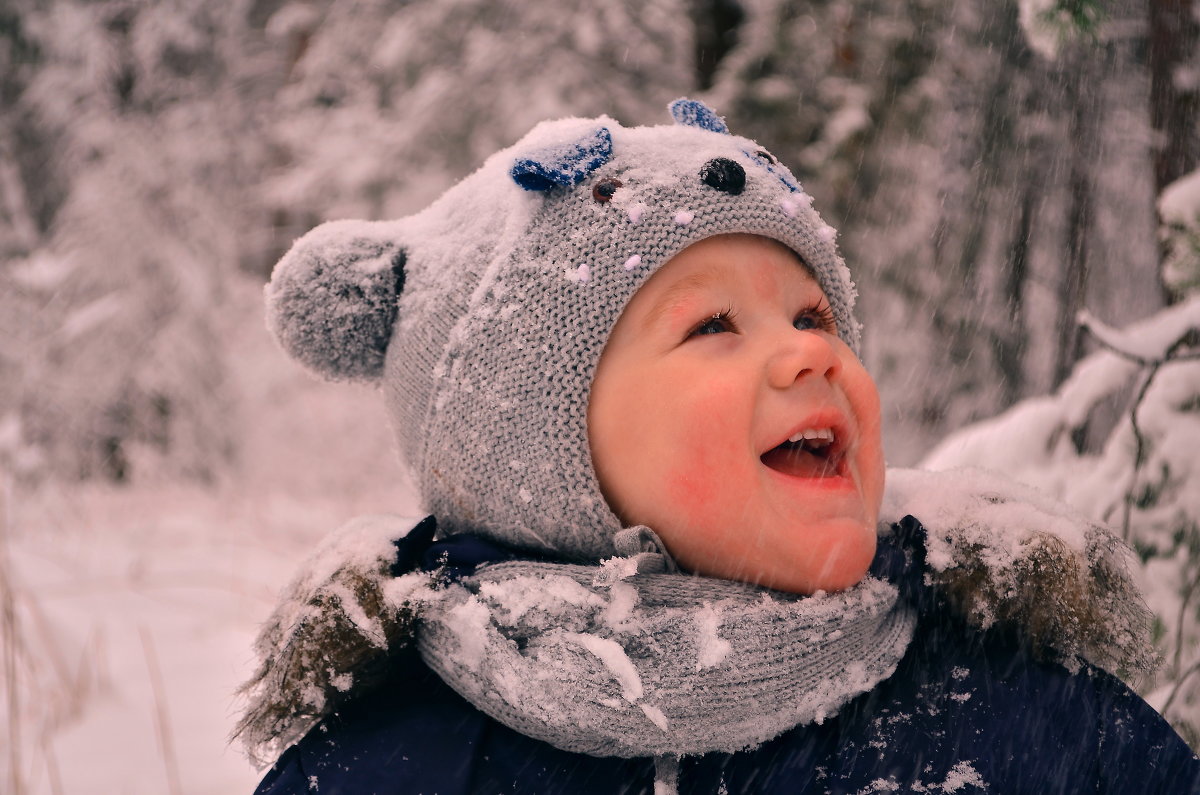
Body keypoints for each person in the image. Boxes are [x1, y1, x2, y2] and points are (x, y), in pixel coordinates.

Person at [236, 99, 1200, 794]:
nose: (808, 354)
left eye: (815, 315)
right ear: (534, 459)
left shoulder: (1036, 731)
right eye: (713, 327)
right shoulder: (390, 758)